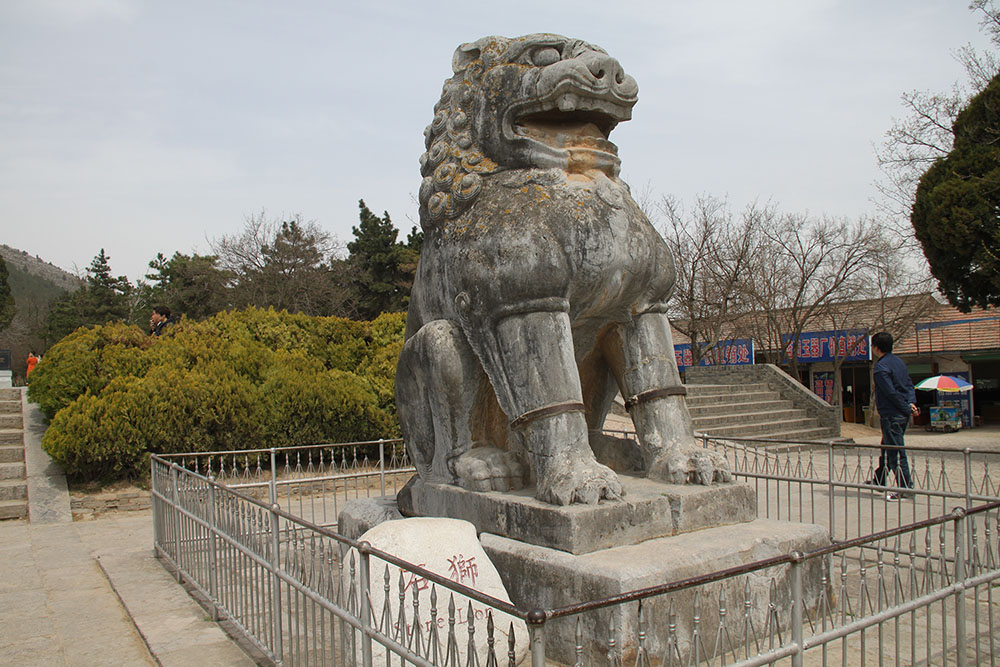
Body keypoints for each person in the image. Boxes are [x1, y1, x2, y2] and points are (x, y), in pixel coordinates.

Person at [867, 331, 919, 501]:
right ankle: (880, 480)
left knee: (896, 451)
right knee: (887, 447)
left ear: (875, 348)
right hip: (901, 411)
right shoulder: (899, 363)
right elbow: (909, 385)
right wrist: (911, 403)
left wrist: (905, 407)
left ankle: (905, 487)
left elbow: (890, 392)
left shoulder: (881, 368)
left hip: (892, 413)